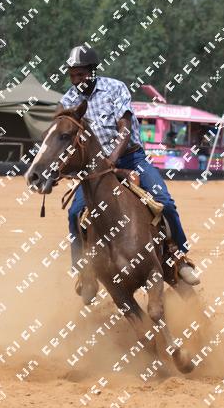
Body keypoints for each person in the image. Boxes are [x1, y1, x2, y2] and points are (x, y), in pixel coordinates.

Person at [55, 45, 200, 296]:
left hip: (131, 158)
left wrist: (113, 158)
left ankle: (179, 255)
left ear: (93, 71)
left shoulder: (115, 88)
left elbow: (125, 128)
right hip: (95, 169)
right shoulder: (68, 101)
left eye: (81, 74)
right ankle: (84, 271)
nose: (76, 80)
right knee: (75, 213)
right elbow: (61, 136)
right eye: (72, 75)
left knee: (164, 202)